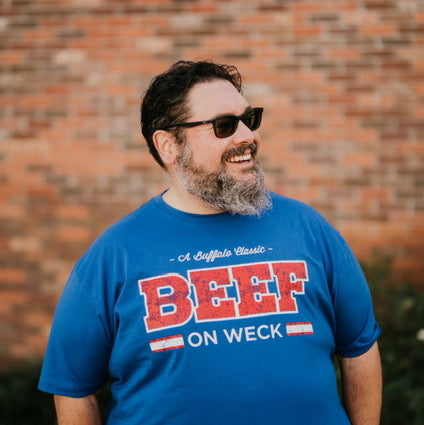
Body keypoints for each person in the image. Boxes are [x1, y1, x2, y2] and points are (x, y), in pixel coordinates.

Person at [39, 60, 382, 425]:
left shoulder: (308, 227)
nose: (247, 136)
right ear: (169, 145)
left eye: (249, 119)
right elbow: (74, 389)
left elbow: (359, 349)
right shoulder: (113, 255)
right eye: (224, 126)